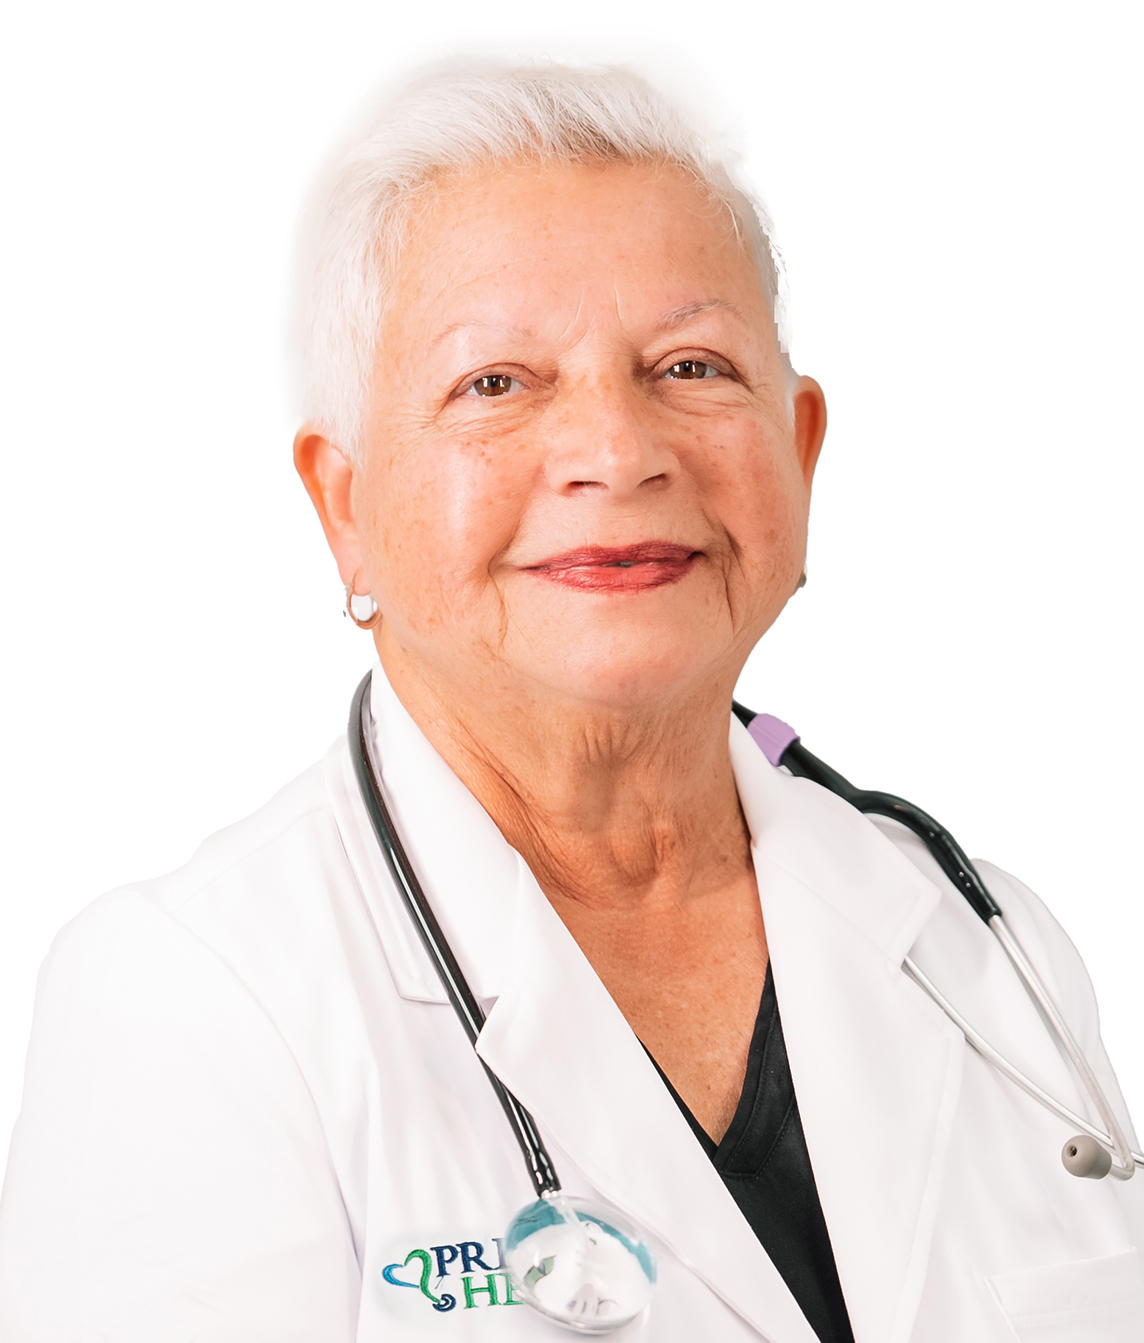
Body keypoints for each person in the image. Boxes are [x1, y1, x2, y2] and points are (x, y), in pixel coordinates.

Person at [0, 62, 1141, 1343]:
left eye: (691, 365)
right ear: (344, 505)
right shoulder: (192, 1003)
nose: (617, 450)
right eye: (495, 381)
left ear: (799, 448)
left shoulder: (987, 945)